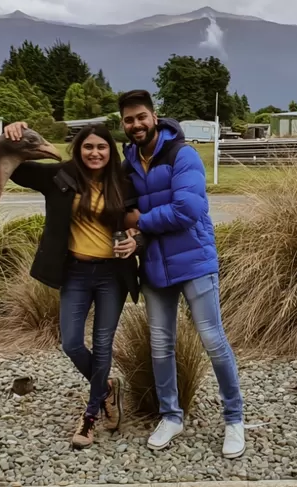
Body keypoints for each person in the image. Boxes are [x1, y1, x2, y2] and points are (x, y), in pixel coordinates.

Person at [116, 89, 246, 459]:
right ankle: (171, 415)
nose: (136, 124)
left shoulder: (182, 155)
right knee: (160, 345)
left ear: (154, 117)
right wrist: (130, 231)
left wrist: (140, 222)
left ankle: (234, 419)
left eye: (141, 116)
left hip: (194, 261)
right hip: (155, 267)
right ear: (123, 124)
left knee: (212, 339)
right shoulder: (127, 164)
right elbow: (120, 212)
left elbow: (187, 209)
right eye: (128, 119)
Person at [3, 121, 142, 450]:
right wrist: (10, 137)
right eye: (89, 147)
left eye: (102, 147)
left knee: (103, 345)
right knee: (71, 343)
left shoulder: (121, 182)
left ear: (111, 151)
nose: (95, 153)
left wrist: (135, 238)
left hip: (112, 274)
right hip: (76, 272)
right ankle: (106, 388)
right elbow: (14, 170)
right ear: (78, 149)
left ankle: (90, 416)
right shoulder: (59, 176)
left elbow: (134, 219)